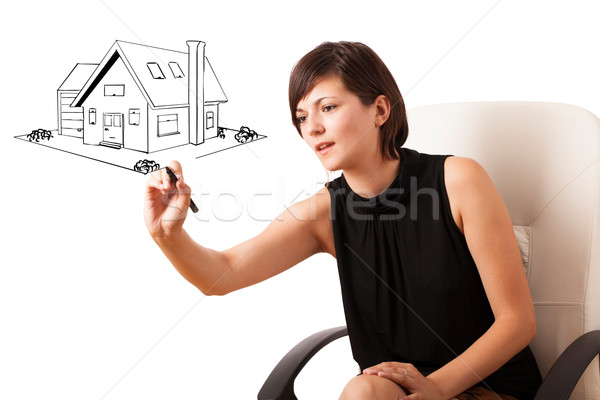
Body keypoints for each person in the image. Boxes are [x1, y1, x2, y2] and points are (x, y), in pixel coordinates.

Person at [144, 41, 542, 400]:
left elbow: (517, 322)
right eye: (301, 117)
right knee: (364, 391)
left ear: (380, 110)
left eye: (328, 107)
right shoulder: (323, 213)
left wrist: (436, 387)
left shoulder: (458, 180)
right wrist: (168, 235)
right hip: (386, 392)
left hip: (487, 388)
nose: (312, 127)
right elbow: (223, 274)